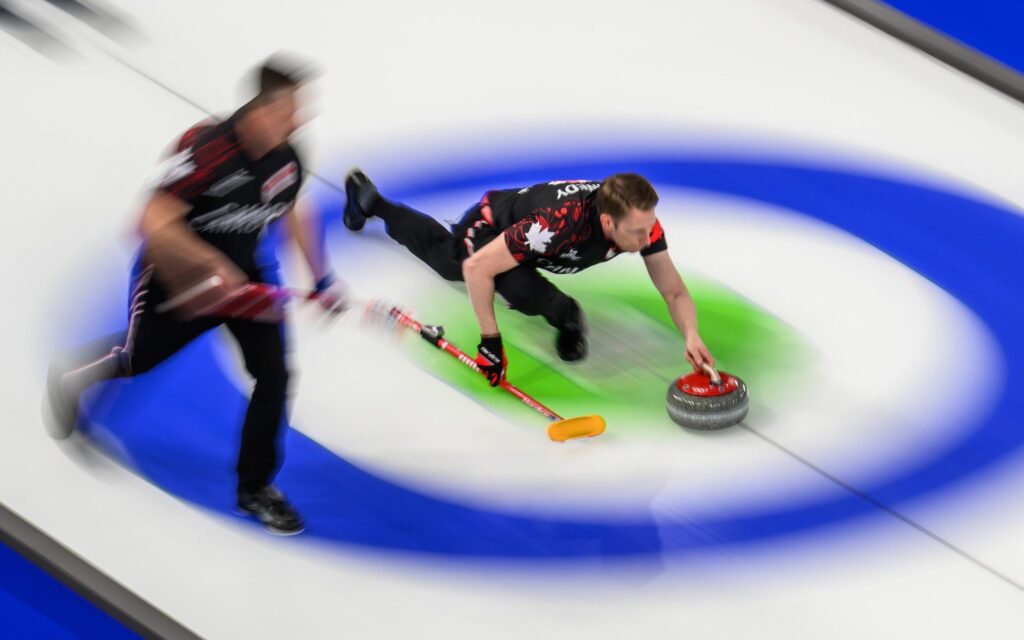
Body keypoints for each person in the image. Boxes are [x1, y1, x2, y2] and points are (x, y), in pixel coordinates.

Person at [43, 55, 344, 536]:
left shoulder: (286, 155)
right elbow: (150, 223)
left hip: (246, 278)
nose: (299, 119)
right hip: (175, 280)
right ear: (262, 109)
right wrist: (207, 265)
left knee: (274, 376)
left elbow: (292, 212)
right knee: (137, 359)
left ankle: (255, 488)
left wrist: (321, 277)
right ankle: (75, 375)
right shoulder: (206, 151)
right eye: (290, 110)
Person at [342, 170, 714, 386]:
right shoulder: (555, 226)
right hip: (493, 227)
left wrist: (691, 334)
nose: (648, 238)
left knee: (521, 286)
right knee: (457, 265)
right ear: (606, 223)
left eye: (649, 227)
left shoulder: (639, 223)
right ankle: (373, 203)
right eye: (637, 232)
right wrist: (490, 341)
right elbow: (477, 269)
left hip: (539, 244)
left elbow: (674, 292)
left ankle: (567, 317)